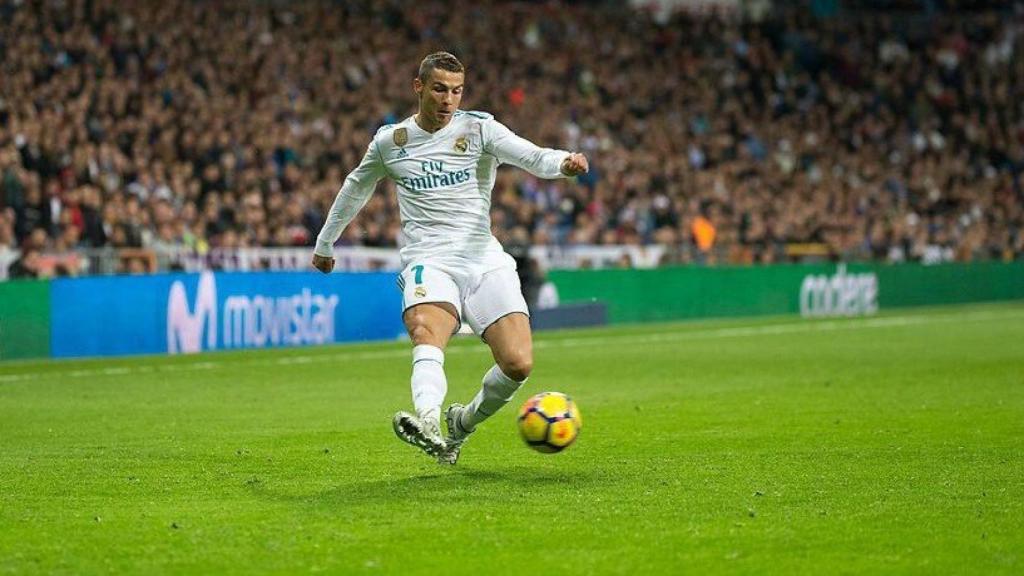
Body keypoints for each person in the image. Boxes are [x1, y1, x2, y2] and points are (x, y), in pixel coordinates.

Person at [311, 52, 589, 464]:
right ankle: (428, 422)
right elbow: (356, 187)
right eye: (440, 89)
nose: (448, 100)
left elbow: (531, 155)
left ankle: (461, 423)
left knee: (518, 363)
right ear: (418, 87)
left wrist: (563, 163)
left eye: (457, 91)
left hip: (483, 259)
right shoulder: (391, 142)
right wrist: (325, 243)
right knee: (426, 330)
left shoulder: (479, 129)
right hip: (430, 260)